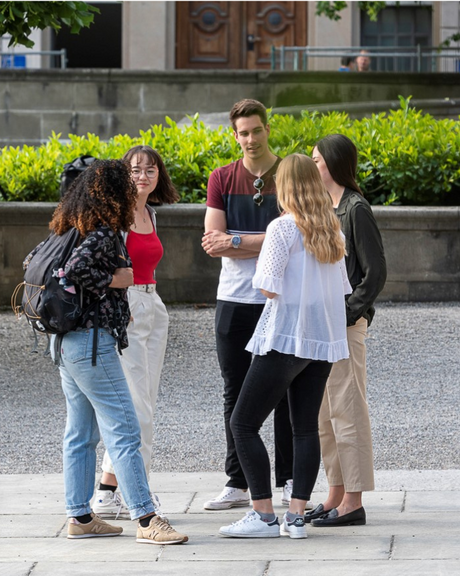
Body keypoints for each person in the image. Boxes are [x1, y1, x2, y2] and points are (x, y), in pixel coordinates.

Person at [24, 159, 188, 545]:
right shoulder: (102, 233)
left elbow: (33, 262)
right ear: (115, 193)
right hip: (92, 344)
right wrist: (119, 278)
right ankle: (147, 519)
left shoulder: (66, 229)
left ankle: (80, 516)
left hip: (64, 341)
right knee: (125, 429)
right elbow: (78, 272)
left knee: (80, 433)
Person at [218, 154, 351, 539]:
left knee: (242, 423)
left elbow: (267, 286)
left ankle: (262, 514)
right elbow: (341, 289)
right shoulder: (333, 229)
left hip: (285, 337)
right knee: (304, 428)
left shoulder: (282, 229)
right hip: (321, 341)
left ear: (285, 186)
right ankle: (295, 518)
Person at [201, 99, 302, 511]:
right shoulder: (221, 178)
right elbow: (212, 241)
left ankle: (288, 478)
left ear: (267, 129)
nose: (250, 139)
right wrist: (268, 240)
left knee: (283, 391)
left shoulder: (290, 175)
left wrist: (237, 241)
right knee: (234, 390)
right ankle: (237, 481)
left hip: (278, 297)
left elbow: (299, 233)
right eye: (242, 132)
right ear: (235, 135)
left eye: (256, 130)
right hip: (233, 300)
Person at [92, 146, 180, 518]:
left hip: (152, 307)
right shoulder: (116, 216)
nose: (143, 175)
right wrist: (118, 305)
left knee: (145, 402)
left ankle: (106, 492)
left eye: (150, 169)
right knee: (136, 409)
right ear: (123, 175)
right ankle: (136, 492)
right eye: (135, 169)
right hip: (125, 311)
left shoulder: (150, 214)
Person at [306, 134, 387, 527]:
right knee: (325, 414)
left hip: (345, 326)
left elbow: (375, 273)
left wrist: (348, 313)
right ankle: (335, 493)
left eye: (317, 160)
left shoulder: (356, 209)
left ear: (334, 163)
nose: (312, 166)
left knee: (348, 410)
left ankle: (353, 501)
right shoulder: (324, 207)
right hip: (322, 327)